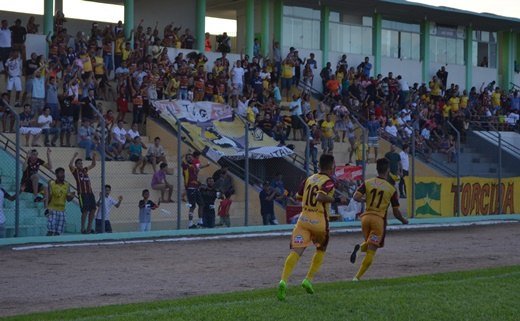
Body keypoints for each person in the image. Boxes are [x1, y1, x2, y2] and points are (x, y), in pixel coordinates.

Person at [277, 154, 348, 300]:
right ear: (330, 167)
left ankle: (283, 280)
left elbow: (298, 197)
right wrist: (336, 199)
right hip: (319, 222)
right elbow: (320, 197)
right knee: (321, 249)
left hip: (303, 220)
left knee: (296, 252)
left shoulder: (309, 179)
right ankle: (307, 280)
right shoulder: (328, 181)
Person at [349, 158, 409, 281]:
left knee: (370, 242)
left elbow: (355, 197)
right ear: (387, 170)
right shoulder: (391, 189)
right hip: (378, 220)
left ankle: (360, 248)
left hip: (365, 218)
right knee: (372, 250)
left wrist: (365, 200)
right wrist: (404, 221)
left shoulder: (368, 182)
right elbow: (396, 212)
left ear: (377, 169)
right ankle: (356, 278)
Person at [69, 152, 97, 234]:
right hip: (82, 194)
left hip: (90, 193)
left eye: (81, 163)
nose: (80, 164)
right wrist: (74, 156)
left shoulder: (85, 170)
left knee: (93, 209)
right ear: (76, 165)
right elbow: (70, 165)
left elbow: (93, 165)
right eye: (78, 163)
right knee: (85, 211)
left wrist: (94, 156)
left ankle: (89, 228)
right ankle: (82, 228)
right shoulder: (75, 171)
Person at [45, 167, 75, 236]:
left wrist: (71, 197)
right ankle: (47, 243)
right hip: (52, 209)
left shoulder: (67, 185)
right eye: (61, 173)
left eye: (63, 173)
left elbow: (68, 199)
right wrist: (46, 207)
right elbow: (48, 196)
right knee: (50, 230)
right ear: (56, 174)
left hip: (62, 211)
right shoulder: (51, 183)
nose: (63, 175)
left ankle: (55, 245)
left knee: (58, 232)